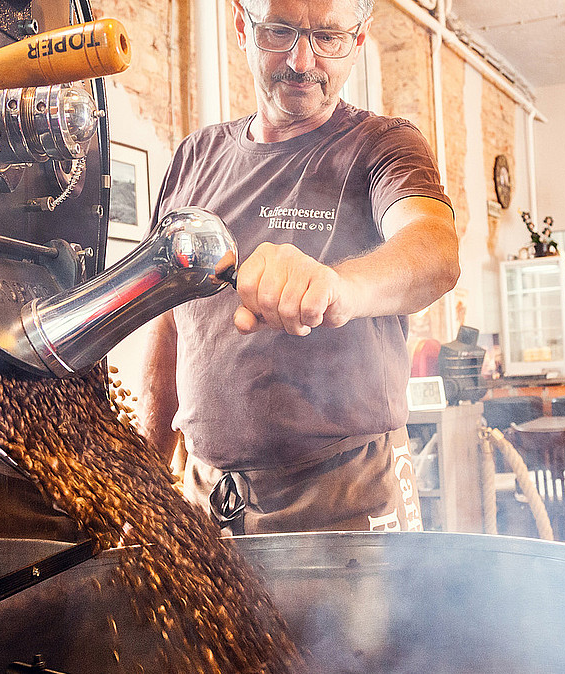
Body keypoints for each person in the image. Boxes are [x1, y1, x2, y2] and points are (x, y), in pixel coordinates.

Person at [142, 0, 459, 535]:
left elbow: (434, 250)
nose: (302, 60)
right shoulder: (195, 158)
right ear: (243, 26)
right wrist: (145, 480)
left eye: (329, 37)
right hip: (206, 497)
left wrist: (339, 285)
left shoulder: (381, 145)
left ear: (359, 38)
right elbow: (168, 320)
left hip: (348, 494)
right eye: (280, 32)